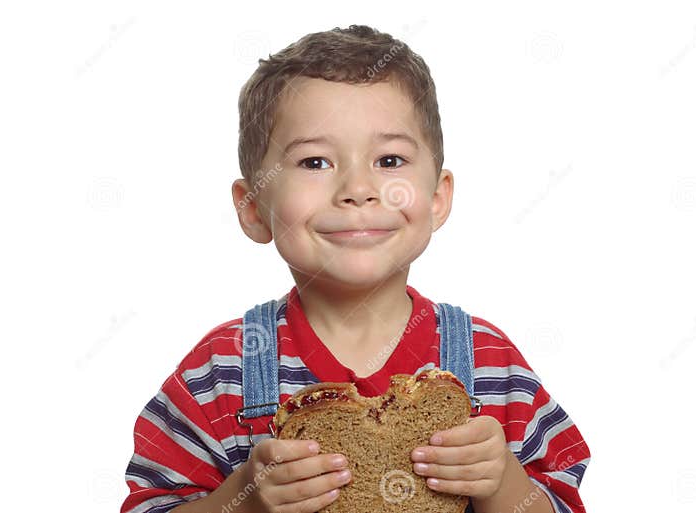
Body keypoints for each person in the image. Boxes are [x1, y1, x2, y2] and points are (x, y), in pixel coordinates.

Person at [120, 24, 590, 513]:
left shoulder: (491, 363)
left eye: (389, 159)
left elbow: (560, 501)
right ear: (254, 208)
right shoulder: (221, 371)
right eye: (314, 162)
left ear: (437, 198)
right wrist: (242, 501)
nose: (357, 189)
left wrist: (504, 482)